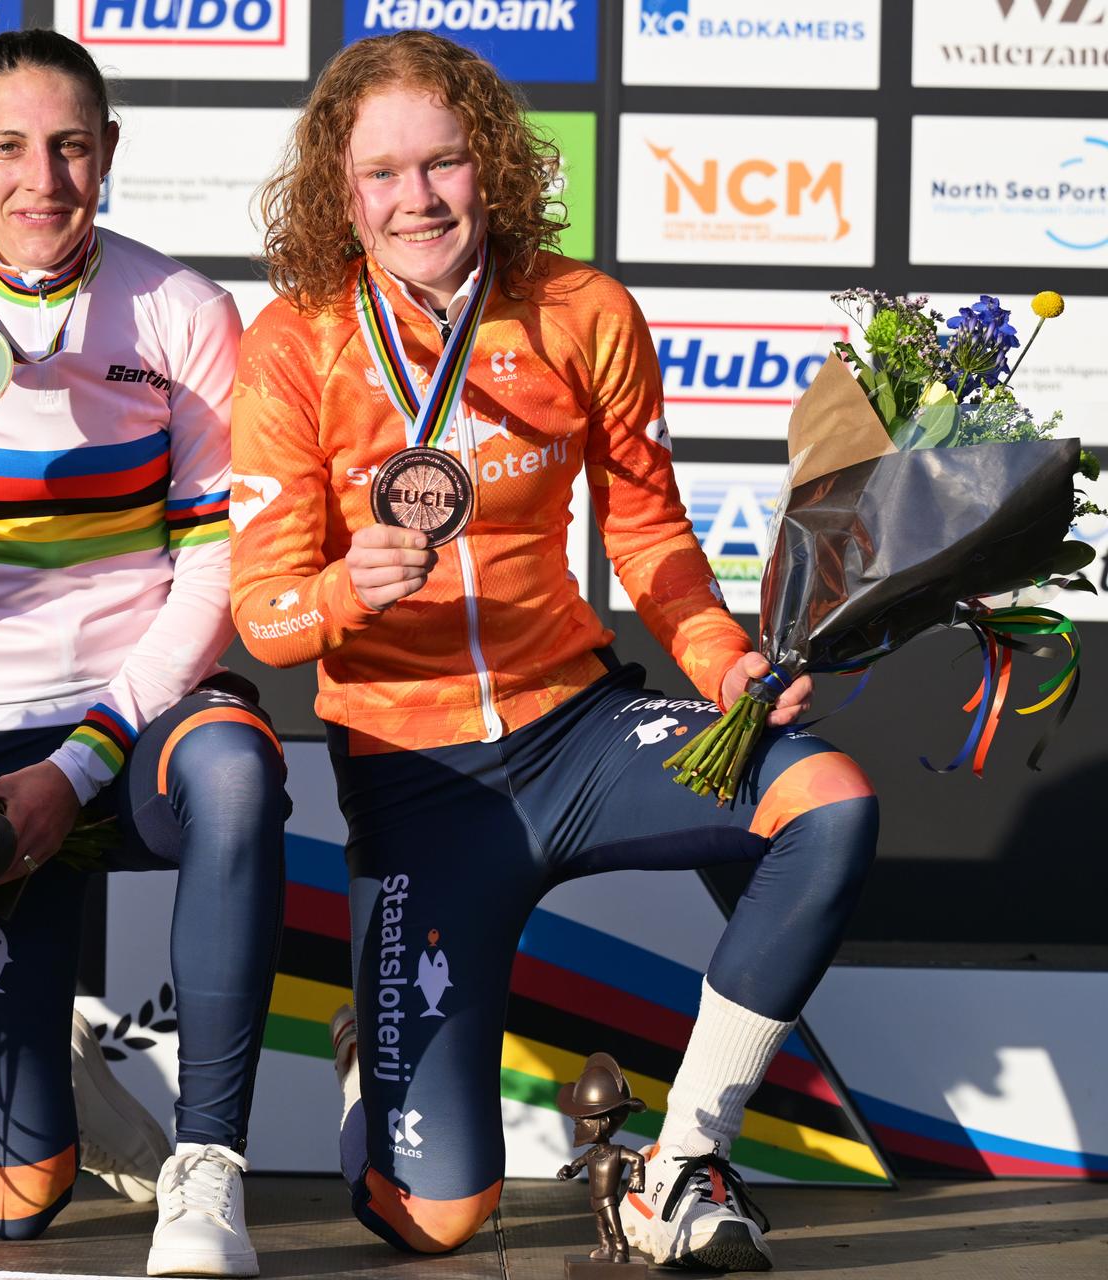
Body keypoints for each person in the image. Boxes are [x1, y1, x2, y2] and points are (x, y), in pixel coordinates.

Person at [230, 31, 877, 1271]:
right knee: (434, 1219)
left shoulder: (583, 308)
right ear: (338, 187)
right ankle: (379, 1052)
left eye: (446, 163)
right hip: (418, 779)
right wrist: (341, 588)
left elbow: (648, 536)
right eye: (381, 174)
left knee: (829, 798)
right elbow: (262, 613)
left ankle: (682, 1155)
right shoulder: (299, 341)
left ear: (495, 165)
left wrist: (727, 662)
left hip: (576, 728)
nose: (416, 199)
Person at [0, 28, 287, 1278]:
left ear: (110, 153)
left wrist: (82, 761)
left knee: (240, 770)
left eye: (72, 145)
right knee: (17, 1200)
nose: (44, 178)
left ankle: (209, 1165)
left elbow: (215, 568)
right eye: (11, 147)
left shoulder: (182, 309)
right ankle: (64, 1084)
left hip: (138, 719)